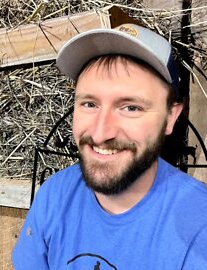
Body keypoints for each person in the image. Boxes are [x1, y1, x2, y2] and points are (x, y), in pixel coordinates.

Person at [12, 23, 207, 269]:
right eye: (89, 104)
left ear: (170, 118)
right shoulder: (54, 195)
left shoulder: (199, 227)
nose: (101, 133)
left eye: (131, 108)